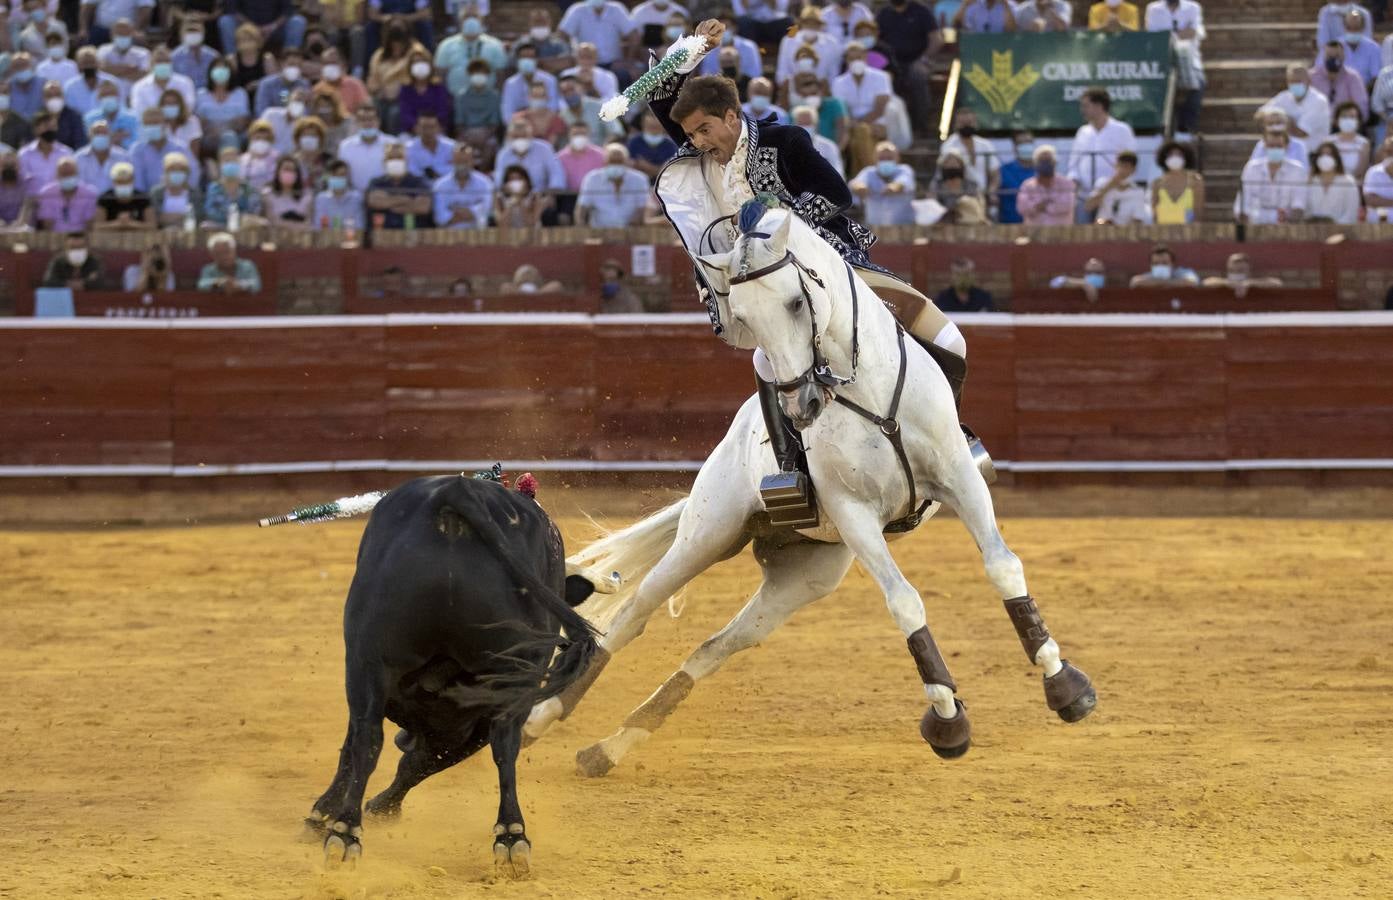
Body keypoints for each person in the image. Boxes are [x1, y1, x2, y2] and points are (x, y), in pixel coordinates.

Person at [649, 18, 983, 511]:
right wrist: (696, 47)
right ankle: (791, 474)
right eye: (691, 133)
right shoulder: (701, 150)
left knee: (949, 340)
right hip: (765, 285)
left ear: (732, 116)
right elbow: (660, 88)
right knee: (768, 359)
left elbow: (837, 193)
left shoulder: (785, 142)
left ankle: (952, 443)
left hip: (831, 266)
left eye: (704, 129)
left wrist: (780, 228)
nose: (698, 142)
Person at [1066, 87, 1138, 211]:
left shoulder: (1122, 130)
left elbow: (1130, 165)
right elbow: (1073, 165)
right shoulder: (1082, 132)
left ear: (1099, 106)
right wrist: (1073, 184)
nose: (1082, 111)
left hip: (1113, 198)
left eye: (1086, 106)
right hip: (1084, 199)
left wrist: (1105, 189)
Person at [1143, 0, 1205, 139]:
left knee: (1198, 86)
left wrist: (1169, 35)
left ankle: (1185, 131)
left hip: (1189, 60)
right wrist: (1179, 34)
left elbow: (1194, 32)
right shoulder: (1153, 9)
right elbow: (1153, 37)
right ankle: (1156, 131)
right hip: (1162, 61)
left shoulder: (1192, 7)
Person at [1235, 131, 1308, 224]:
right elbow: (1242, 202)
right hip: (1254, 223)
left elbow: (1299, 205)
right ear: (1264, 146)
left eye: (1279, 146)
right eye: (1271, 146)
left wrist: (1287, 223)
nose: (1275, 149)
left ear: (1287, 146)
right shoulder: (1252, 168)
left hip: (1285, 225)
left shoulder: (1298, 170)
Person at [435, 6, 509, 93]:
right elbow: (440, 74)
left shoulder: (495, 45)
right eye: (466, 17)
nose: (471, 20)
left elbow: (500, 75)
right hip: (455, 99)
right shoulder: (446, 45)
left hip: (487, 100)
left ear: (481, 21)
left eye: (474, 16)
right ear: (460, 21)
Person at [576, 144, 651, 228]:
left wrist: (634, 224)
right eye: (612, 161)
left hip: (631, 232)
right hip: (600, 232)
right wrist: (581, 226)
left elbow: (643, 207)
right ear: (604, 162)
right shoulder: (592, 179)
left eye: (619, 161)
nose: (616, 164)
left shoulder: (640, 179)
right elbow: (582, 207)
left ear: (627, 162)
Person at [937, 106, 999, 206]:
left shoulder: (986, 145)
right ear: (956, 125)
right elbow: (946, 174)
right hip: (960, 196)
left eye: (969, 123)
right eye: (963, 123)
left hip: (984, 196)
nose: (966, 126)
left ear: (975, 123)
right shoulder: (948, 145)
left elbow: (995, 174)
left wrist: (991, 192)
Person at [129, 107, 197, 192]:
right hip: (146, 201)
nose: (152, 127)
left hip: (179, 197)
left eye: (155, 123)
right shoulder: (137, 150)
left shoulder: (180, 148)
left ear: (165, 124)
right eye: (148, 124)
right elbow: (137, 182)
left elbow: (192, 175)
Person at [366, 142, 433, 229]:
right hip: (383, 233)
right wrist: (407, 200)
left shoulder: (419, 182)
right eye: (391, 158)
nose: (395, 161)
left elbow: (422, 207)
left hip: (413, 233)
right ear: (384, 162)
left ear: (406, 161)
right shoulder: (376, 182)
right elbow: (376, 202)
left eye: (399, 158)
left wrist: (389, 202)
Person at [849, 141, 915, 225]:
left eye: (889, 158)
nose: (886, 161)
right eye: (882, 158)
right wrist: (860, 188)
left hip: (903, 229)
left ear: (897, 158)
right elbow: (855, 183)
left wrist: (893, 188)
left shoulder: (904, 170)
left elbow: (902, 183)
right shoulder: (868, 172)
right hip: (874, 229)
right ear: (875, 159)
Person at [558, 0, 637, 69]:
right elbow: (562, 34)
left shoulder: (617, 9)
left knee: (626, 74)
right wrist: (573, 57)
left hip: (614, 64)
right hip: (586, 65)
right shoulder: (577, 10)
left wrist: (628, 60)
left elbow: (634, 34)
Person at [1316, 9, 1382, 90]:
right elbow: (1319, 71)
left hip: (1365, 93)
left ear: (1363, 28)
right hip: (1336, 93)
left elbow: (1376, 77)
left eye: (1356, 28)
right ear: (1344, 27)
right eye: (1349, 27)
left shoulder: (1373, 48)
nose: (1352, 31)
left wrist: (1359, 92)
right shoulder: (1332, 47)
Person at [196, 59, 252, 153]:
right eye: (217, 68)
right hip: (209, 136)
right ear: (210, 72)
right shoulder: (201, 94)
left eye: (223, 68)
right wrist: (212, 130)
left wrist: (222, 129)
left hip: (235, 134)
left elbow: (242, 122)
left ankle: (227, 162)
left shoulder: (240, 93)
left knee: (229, 136)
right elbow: (199, 122)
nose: (220, 71)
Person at [432, 144, 492, 230]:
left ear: (472, 161)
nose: (462, 165)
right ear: (452, 161)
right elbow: (440, 217)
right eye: (459, 161)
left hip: (477, 235)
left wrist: (460, 213)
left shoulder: (484, 183)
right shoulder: (440, 185)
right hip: (448, 236)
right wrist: (470, 214)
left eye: (465, 161)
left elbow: (486, 211)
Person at [31, 156, 99, 232]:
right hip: (55, 237)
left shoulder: (90, 193)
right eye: (64, 174)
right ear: (57, 175)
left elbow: (89, 224)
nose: (67, 177)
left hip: (81, 237)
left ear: (77, 174)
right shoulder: (46, 193)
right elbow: (47, 225)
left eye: (70, 174)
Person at [203, 146, 265, 229]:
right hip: (219, 228)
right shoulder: (214, 188)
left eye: (234, 161)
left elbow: (254, 211)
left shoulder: (248, 189)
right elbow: (210, 211)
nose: (230, 164)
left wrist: (244, 219)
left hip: (245, 230)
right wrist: (235, 218)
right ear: (220, 165)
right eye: (227, 161)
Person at [217, 0, 308, 56]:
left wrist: (272, 26)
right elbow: (232, 9)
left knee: (298, 21)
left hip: (274, 29)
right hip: (245, 28)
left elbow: (287, 11)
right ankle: (232, 59)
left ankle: (290, 58)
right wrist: (252, 27)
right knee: (225, 21)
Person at [1310, 39, 1369, 122]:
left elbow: (1362, 106)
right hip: (1317, 123)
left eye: (1337, 56)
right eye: (1330, 56)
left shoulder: (1353, 77)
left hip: (1343, 125)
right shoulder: (1311, 77)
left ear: (1343, 56)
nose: (1333, 59)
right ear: (1323, 56)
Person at [1270, 64, 1331, 143]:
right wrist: (1283, 120)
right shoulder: (1284, 97)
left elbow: (1300, 133)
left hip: (1314, 153)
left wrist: (1280, 119)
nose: (1295, 84)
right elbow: (1260, 115)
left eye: (1298, 81)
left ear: (1309, 81)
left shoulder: (1319, 101)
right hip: (1288, 151)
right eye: (1292, 81)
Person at [1017, 144, 1077, 225]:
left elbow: (1067, 205)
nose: (1045, 163)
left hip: (1062, 234)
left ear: (1055, 163)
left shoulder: (1066, 184)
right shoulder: (1027, 185)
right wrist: (1050, 203)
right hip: (1034, 234)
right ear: (1035, 163)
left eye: (1048, 160)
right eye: (1042, 160)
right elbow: (1022, 208)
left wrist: (1041, 207)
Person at [1086, 150, 1150, 224]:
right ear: (1115, 165)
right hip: (1102, 229)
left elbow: (1138, 219)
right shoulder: (1102, 183)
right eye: (1120, 165)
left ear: (1133, 170)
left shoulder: (1138, 192)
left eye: (1126, 167)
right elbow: (1089, 206)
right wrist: (1109, 186)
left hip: (1125, 231)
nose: (1122, 170)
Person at [398, 48, 452, 136]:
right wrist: (416, 127)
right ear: (410, 66)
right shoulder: (406, 89)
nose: (419, 65)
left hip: (436, 130)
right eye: (415, 62)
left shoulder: (438, 87)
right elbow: (405, 112)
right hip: (412, 131)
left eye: (423, 62)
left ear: (430, 65)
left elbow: (442, 110)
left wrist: (432, 127)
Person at [1305, 141, 1361, 224]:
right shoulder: (1309, 181)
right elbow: (1305, 210)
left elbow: (1351, 212)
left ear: (1336, 158)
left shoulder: (1348, 181)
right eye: (1322, 155)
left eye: (1329, 155)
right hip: (1312, 230)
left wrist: (1335, 227)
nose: (1325, 158)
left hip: (1340, 231)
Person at [18, 112, 73, 196]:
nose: (50, 130)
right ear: (36, 129)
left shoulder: (66, 153)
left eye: (53, 126)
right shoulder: (24, 154)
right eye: (46, 126)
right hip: (32, 202)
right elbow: (21, 181)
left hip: (58, 201)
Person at [94, 162, 155, 230]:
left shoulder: (143, 198)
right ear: (113, 182)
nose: (123, 184)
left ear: (133, 180)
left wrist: (131, 223)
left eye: (127, 181)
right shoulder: (105, 198)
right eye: (119, 182)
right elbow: (97, 226)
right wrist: (118, 223)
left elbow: (152, 226)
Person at [64, 47, 121, 119]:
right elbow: (69, 111)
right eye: (85, 63)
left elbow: (120, 106)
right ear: (79, 65)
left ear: (98, 63)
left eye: (91, 62)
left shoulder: (112, 82)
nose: (89, 66)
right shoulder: (70, 87)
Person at [149, 152, 202, 229]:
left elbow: (198, 216)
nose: (177, 173)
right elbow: (156, 217)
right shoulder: (156, 192)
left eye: (181, 170)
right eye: (172, 170)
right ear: (166, 172)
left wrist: (170, 217)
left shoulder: (194, 193)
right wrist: (182, 216)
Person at [198, 231, 262, 293]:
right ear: (212, 255)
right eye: (218, 253)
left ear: (234, 251)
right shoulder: (208, 269)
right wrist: (220, 283)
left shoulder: (247, 265)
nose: (223, 256)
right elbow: (201, 285)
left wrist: (238, 285)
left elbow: (256, 285)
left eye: (227, 252)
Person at [75, 121, 127, 195]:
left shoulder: (123, 157)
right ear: (89, 136)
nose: (100, 136)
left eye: (104, 133)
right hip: (87, 203)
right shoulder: (78, 158)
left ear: (110, 136)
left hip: (113, 203)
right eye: (97, 133)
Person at [262, 154, 314, 228]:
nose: (289, 173)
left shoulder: (307, 196)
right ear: (278, 172)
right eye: (286, 169)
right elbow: (271, 221)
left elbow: (308, 223)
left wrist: (281, 223)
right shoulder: (268, 195)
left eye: (292, 170)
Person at [1201, 252, 1284, 298]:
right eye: (1232, 270)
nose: (1236, 273)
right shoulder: (1222, 284)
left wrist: (1250, 283)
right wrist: (1227, 283)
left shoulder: (1255, 284)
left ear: (1249, 270)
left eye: (1240, 270)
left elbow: (1277, 283)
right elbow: (1205, 283)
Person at [313, 159, 364, 230]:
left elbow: (359, 226)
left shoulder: (356, 197)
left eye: (343, 175)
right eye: (335, 175)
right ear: (328, 177)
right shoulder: (321, 198)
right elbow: (318, 227)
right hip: (327, 239)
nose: (339, 178)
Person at [512, 80, 566, 148]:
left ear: (548, 97)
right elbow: (509, 144)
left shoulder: (557, 120)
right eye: (535, 96)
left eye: (542, 96)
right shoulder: (518, 119)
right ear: (529, 98)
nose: (539, 99)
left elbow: (561, 148)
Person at [996, 131, 1035, 224]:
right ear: (1014, 147)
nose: (1026, 146)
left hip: (1036, 226)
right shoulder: (1003, 171)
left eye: (1029, 142)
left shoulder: (1042, 171)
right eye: (1022, 143)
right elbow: (994, 197)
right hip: (1009, 226)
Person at [404, 110, 455, 181]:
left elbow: (455, 169)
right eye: (424, 127)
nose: (428, 131)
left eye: (432, 127)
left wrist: (435, 172)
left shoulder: (452, 146)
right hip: (420, 188)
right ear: (417, 128)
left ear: (439, 128)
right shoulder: (408, 148)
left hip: (447, 187)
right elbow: (413, 172)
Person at [792, 105, 843, 174]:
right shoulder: (785, 147)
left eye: (808, 123)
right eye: (801, 124)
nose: (805, 127)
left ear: (816, 124)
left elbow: (839, 172)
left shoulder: (829, 146)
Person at [559, 122, 607, 195]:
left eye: (583, 134)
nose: (579, 137)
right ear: (569, 135)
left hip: (595, 196)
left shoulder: (601, 155)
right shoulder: (560, 158)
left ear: (589, 135)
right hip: (568, 196)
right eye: (576, 134)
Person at [172, 18, 219, 90]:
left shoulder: (213, 56)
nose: (193, 34)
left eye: (196, 31)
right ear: (182, 34)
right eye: (189, 31)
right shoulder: (174, 57)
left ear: (203, 33)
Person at [42, 81, 87, 151]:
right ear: (44, 98)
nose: (54, 98)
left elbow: (80, 144)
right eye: (50, 95)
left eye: (57, 95)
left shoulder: (75, 117)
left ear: (63, 97)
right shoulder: (38, 119)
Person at [1331, 100, 1371, 178]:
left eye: (1352, 117)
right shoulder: (1328, 141)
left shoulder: (1364, 143)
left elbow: (1361, 172)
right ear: (1336, 120)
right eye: (1344, 117)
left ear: (1358, 121)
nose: (1348, 120)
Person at [1128, 244, 1199, 287]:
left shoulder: (1181, 273)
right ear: (1151, 265)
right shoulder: (1150, 276)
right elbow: (1134, 282)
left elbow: (1193, 282)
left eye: (1164, 263)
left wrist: (1159, 283)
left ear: (1172, 264)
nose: (1160, 266)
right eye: (1156, 263)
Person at [1362, 136, 1393, 223]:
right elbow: (1370, 200)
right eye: (1389, 152)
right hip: (1378, 226)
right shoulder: (1373, 172)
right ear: (1383, 153)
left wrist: (1382, 201)